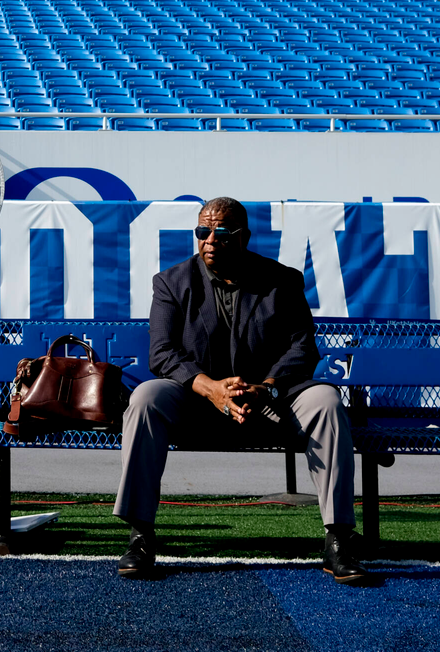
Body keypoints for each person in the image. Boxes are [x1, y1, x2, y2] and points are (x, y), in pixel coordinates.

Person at [113, 196, 372, 585]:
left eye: (221, 232)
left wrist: (265, 388)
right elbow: (162, 353)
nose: (210, 240)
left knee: (326, 401)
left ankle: (338, 541)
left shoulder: (282, 280)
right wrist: (212, 389)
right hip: (198, 402)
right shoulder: (171, 282)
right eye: (203, 231)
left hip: (270, 402)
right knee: (146, 398)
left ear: (244, 237)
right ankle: (140, 537)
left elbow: (302, 349)